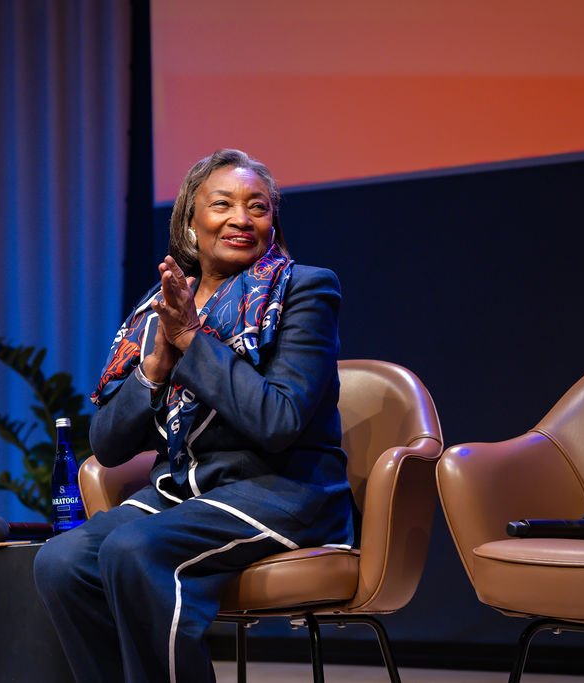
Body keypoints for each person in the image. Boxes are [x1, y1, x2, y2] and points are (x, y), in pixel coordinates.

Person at [34, 149, 355, 682]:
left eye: (258, 207)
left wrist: (192, 339)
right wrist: (154, 368)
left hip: (283, 492)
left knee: (134, 550)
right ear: (190, 222)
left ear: (273, 223)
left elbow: (278, 421)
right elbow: (109, 447)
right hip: (187, 492)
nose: (241, 219)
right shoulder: (158, 310)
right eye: (222, 204)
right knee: (61, 561)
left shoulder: (304, 290)